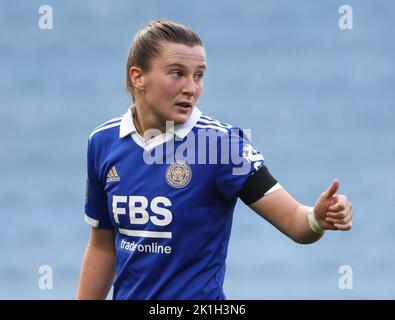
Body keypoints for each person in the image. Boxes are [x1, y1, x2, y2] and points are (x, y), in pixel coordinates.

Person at [76, 19, 353, 300]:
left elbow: (295, 221)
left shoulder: (221, 145)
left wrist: (317, 218)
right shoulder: (103, 142)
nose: (191, 88)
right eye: (177, 73)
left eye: (198, 75)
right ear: (138, 77)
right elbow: (102, 247)